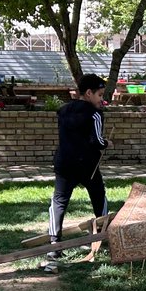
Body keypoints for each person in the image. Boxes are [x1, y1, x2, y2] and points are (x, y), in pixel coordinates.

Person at [45, 73, 109, 264]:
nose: (102, 100)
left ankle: (54, 244)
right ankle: (104, 236)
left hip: (64, 163)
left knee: (58, 202)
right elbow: (96, 141)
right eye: (100, 95)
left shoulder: (63, 110)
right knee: (98, 196)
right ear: (88, 93)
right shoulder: (95, 114)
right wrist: (107, 143)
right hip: (87, 164)